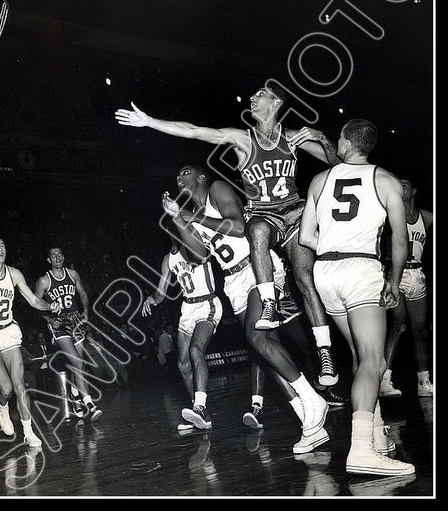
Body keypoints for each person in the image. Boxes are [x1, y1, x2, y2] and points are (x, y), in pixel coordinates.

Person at [115, 83, 341, 387]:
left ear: (275, 103)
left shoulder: (292, 138)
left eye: (259, 94)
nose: (252, 96)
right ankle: (269, 303)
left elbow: (337, 164)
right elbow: (194, 130)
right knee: (257, 232)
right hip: (265, 217)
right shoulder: (242, 139)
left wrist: (321, 137)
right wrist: (150, 122)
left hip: (294, 213)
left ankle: (324, 351)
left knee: (304, 276)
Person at [163, 165, 329, 454]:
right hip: (232, 282)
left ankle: (313, 399)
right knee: (265, 350)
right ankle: (310, 424)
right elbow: (200, 255)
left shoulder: (216, 189)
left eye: (185, 172)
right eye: (177, 175)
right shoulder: (194, 214)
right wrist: (179, 219)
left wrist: (193, 216)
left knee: (258, 339)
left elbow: (239, 226)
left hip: (257, 268)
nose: (179, 177)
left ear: (200, 178)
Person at [299, 118, 415, 476]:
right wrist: (393, 282)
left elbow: (305, 236)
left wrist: (334, 251)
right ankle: (361, 449)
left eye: (339, 139)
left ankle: (377, 438)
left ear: (347, 143)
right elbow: (399, 240)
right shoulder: (386, 180)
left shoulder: (320, 179)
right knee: (372, 359)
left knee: (361, 355)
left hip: (325, 273)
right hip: (361, 270)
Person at [0, 236, 61, 447]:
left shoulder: (14, 274)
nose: (0, 249)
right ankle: (2, 406)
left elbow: (33, 300)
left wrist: (49, 306)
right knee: (5, 389)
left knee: (19, 386)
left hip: (8, 333)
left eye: (3, 246)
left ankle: (28, 431)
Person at [142, 224, 223, 431]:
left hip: (207, 303)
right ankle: (199, 413)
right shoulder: (169, 259)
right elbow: (161, 293)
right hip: (187, 308)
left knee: (196, 350)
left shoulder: (195, 248)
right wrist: (151, 299)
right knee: (183, 364)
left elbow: (204, 256)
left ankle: (200, 407)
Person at [34, 246, 102, 422]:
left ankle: (74, 395)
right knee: (78, 363)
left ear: (63, 257)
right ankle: (90, 403)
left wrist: (86, 310)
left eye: (60, 254)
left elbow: (83, 293)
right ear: (49, 260)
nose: (57, 257)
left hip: (75, 320)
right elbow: (35, 303)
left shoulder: (73, 274)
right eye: (53, 255)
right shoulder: (44, 281)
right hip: (59, 324)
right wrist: (49, 320)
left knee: (77, 365)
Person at [380, 178, 433, 398]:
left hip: (417, 274)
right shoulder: (391, 215)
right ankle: (384, 380)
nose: (400, 187)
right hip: (396, 273)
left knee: (420, 331)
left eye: (405, 184)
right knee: (399, 325)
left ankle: (424, 381)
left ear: (414, 190)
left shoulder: (426, 217)